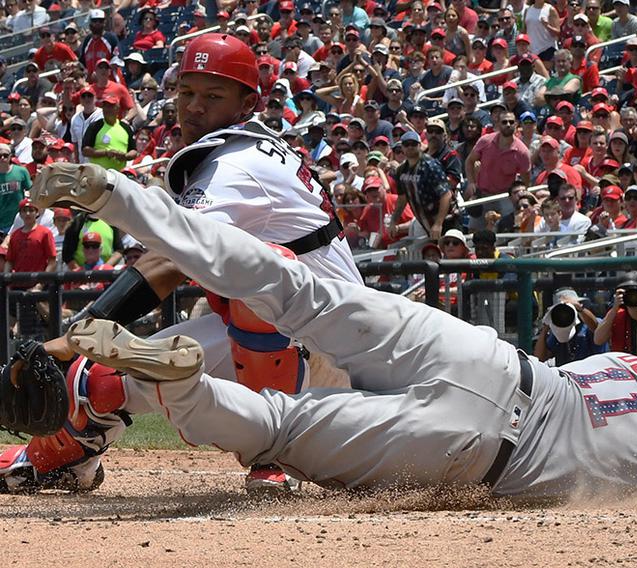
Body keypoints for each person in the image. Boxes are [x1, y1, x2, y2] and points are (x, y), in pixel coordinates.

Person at [21, 172, 637, 498]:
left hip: (487, 360)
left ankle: (116, 194)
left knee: (294, 288)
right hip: (476, 448)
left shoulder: (629, 360)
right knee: (276, 425)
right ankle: (178, 380)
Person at [0, 34, 364, 496]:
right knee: (101, 379)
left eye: (213, 96)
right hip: (303, 335)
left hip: (333, 347)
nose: (194, 107)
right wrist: (82, 345)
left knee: (255, 286)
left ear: (247, 102)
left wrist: (73, 337)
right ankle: (56, 462)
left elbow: (171, 261)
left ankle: (280, 454)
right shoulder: (242, 148)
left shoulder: (236, 165)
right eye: (187, 92)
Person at [388, 131, 455, 242]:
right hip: (425, 222)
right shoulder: (401, 170)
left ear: (420, 145)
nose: (410, 147)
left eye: (413, 144)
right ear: (402, 148)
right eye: (406, 144)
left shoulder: (430, 166)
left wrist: (438, 224)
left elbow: (446, 195)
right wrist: (393, 221)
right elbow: (402, 199)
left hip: (447, 220)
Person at [533, 289, 605, 366]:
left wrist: (580, 309)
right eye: (561, 311)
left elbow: (597, 328)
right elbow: (539, 358)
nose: (564, 315)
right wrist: (546, 326)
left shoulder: (587, 326)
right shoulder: (556, 332)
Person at [81, 94, 137, 172]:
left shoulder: (126, 128)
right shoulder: (95, 126)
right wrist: (106, 153)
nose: (107, 109)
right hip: (99, 174)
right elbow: (85, 150)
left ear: (117, 109)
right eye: (105, 106)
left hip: (120, 174)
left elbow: (133, 151)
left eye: (110, 106)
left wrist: (125, 156)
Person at [0, 143, 31, 236]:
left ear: (10, 157)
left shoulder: (21, 171)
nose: (2, 158)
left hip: (19, 221)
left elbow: (30, 191)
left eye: (5, 155)